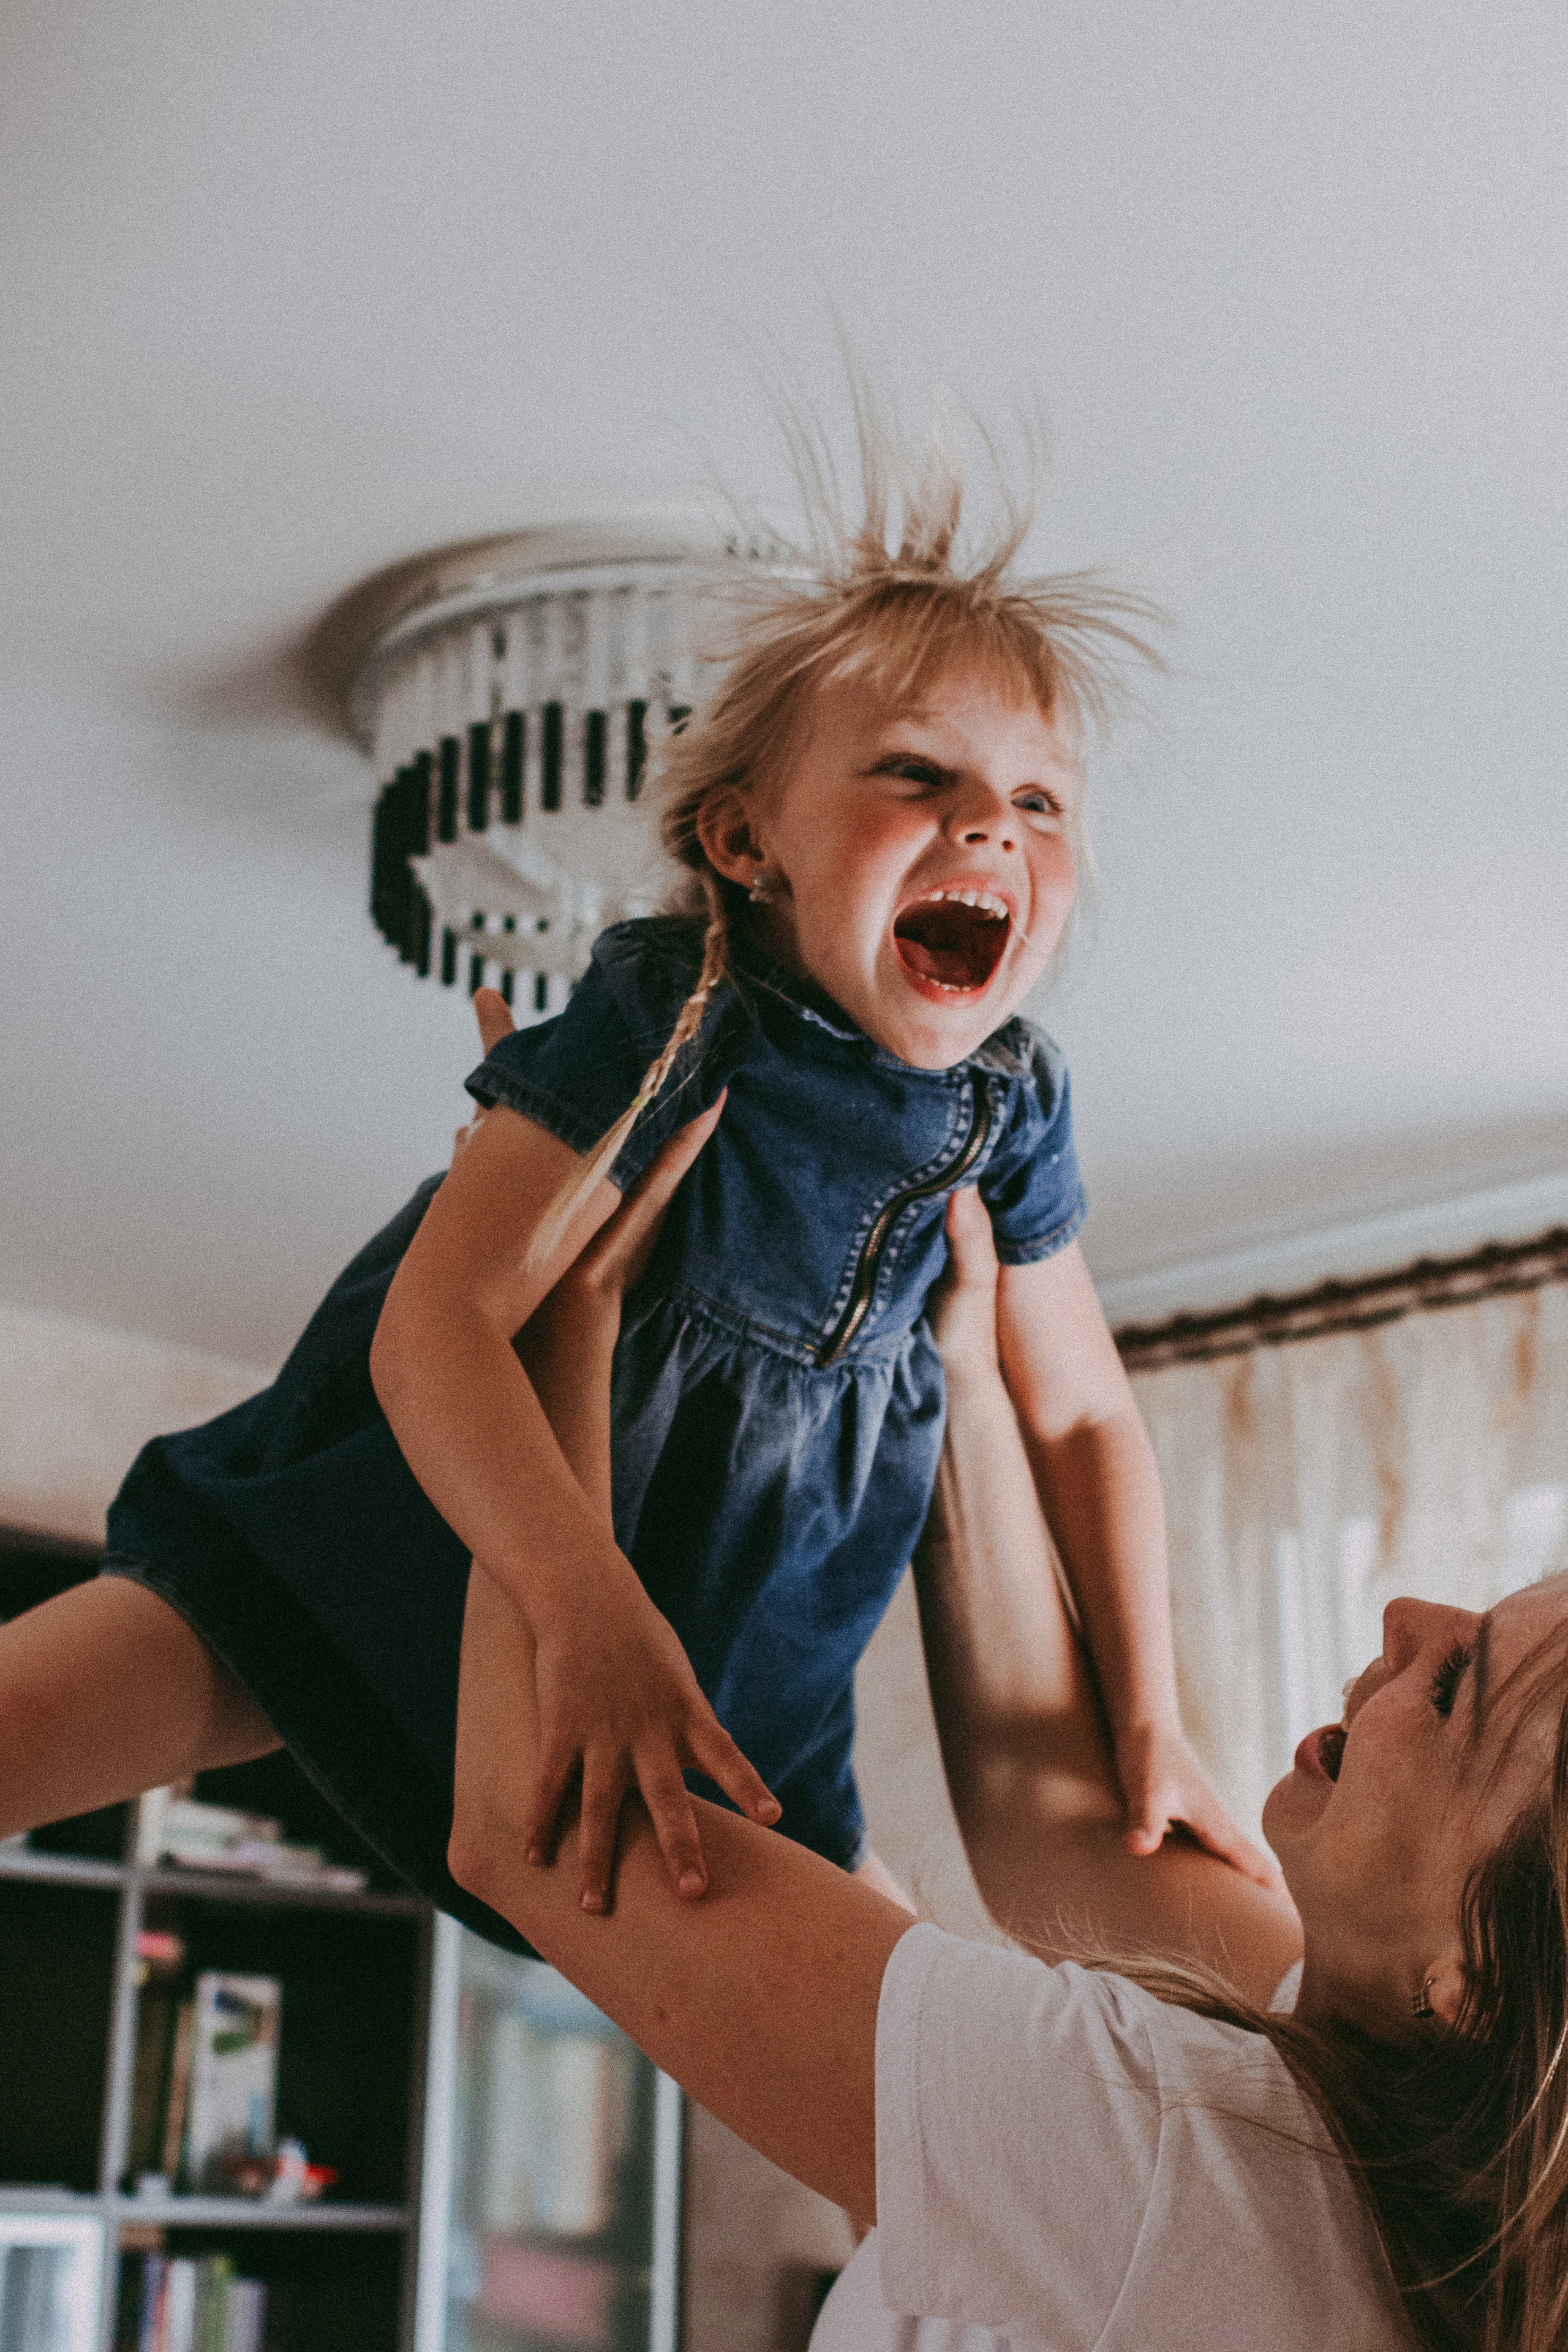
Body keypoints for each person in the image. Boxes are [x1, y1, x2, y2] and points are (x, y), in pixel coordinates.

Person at [0, 387, 1270, 1941]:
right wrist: (578, 1598)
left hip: (735, 1662)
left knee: (924, 2056)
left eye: (1035, 801)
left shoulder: (1010, 1104)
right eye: (914, 777)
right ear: (744, 845)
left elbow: (1077, 1415)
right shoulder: (674, 1008)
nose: (988, 832)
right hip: (398, 1526)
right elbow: (439, 1325)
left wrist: (1150, 1713)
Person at [447, 1131, 1568, 2352]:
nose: (1410, 1615)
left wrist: (550, 1324)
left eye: (1459, 1686)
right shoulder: (1390, 2117)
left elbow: (534, 1831)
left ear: (1468, 1974)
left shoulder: (1177, 2157)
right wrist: (960, 1382)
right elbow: (1061, 1828)